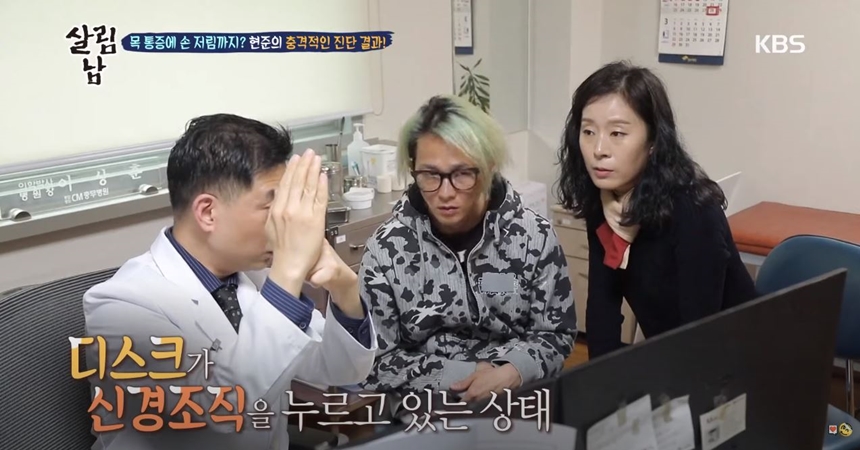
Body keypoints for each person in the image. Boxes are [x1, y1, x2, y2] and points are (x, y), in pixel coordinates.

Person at [82, 114, 377, 450]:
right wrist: (288, 270)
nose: (284, 222)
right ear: (208, 212)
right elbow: (220, 416)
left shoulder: (251, 276)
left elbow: (340, 369)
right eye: (273, 205)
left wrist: (344, 288)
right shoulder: (119, 306)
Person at [358, 95, 577, 407]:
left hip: (518, 398)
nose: (446, 193)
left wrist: (512, 370)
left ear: (488, 168)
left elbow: (556, 334)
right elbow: (374, 361)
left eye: (462, 174)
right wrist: (467, 375)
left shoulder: (534, 237)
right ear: (413, 169)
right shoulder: (386, 250)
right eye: (430, 175)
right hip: (426, 409)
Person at [556, 61, 758, 360]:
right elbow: (603, 304)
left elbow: (698, 331)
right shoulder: (605, 199)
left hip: (734, 356)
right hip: (670, 354)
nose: (599, 149)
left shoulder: (693, 208)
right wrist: (598, 380)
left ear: (653, 141)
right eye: (588, 131)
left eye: (617, 133)